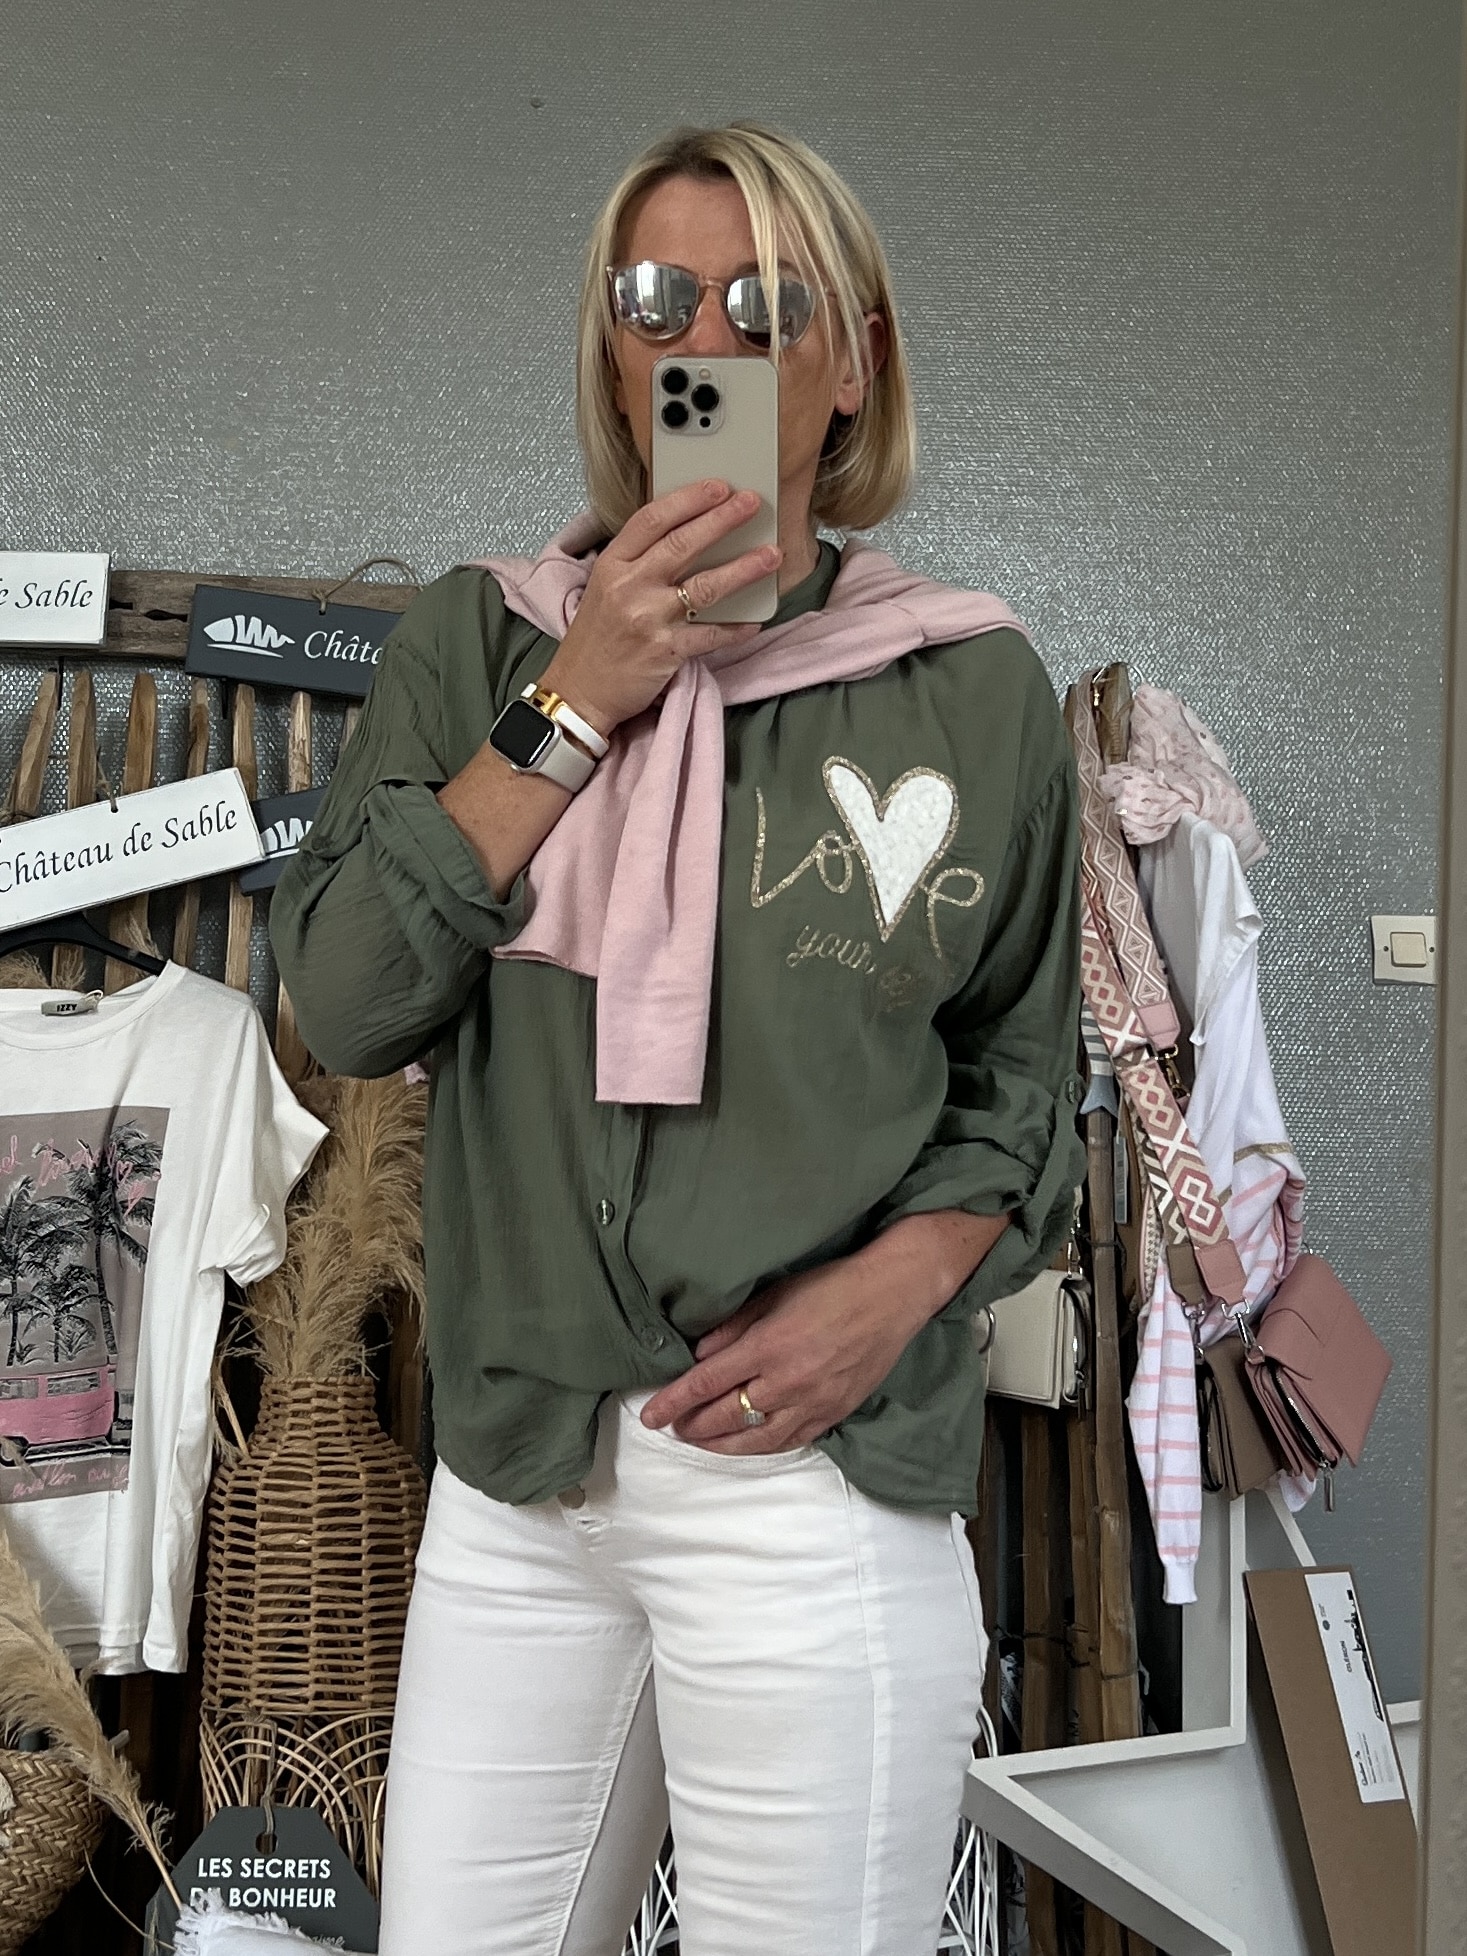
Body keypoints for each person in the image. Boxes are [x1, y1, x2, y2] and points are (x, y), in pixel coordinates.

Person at [272, 120, 1084, 1956]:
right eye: (658, 299)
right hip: (522, 1481)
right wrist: (581, 699)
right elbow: (351, 1001)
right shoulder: (481, 644)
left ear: (851, 361)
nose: (703, 341)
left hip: (811, 1484)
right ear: (611, 343)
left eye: (766, 304)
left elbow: (1024, 1078)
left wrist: (893, 1294)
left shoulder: (971, 691)